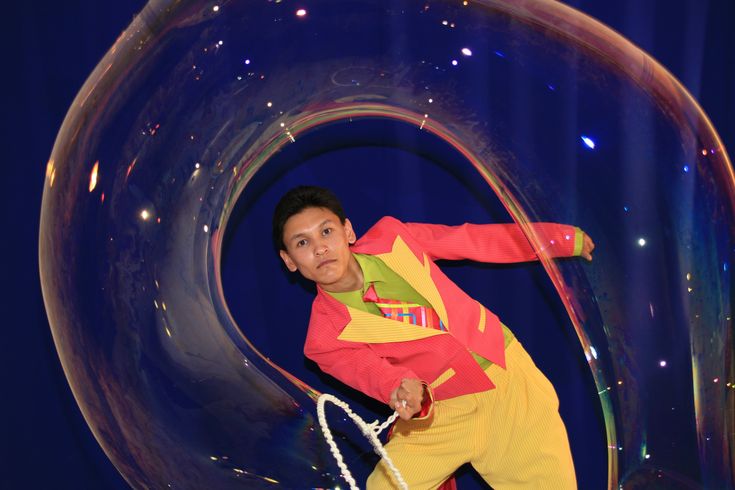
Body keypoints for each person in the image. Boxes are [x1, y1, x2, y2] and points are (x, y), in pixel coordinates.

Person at [273, 185, 594, 489]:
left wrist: (560, 239)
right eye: (302, 243)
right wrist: (401, 388)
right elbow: (374, 374)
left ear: (348, 231)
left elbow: (473, 240)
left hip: (505, 377)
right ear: (289, 261)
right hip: (439, 412)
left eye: (326, 231)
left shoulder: (393, 237)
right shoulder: (323, 339)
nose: (320, 248)